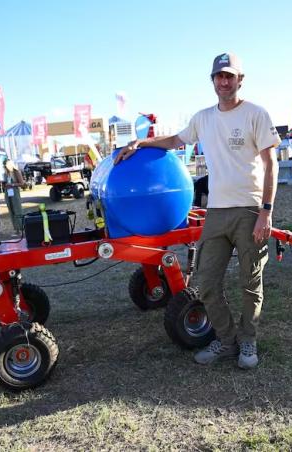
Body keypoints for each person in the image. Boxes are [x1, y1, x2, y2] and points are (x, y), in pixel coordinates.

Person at [114, 52, 280, 369]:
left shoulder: (256, 114)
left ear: (240, 80)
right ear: (213, 81)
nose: (224, 81)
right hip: (216, 212)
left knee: (250, 282)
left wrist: (266, 211)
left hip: (249, 209)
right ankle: (227, 340)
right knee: (203, 282)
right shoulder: (203, 118)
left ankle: (248, 342)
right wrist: (140, 143)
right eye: (219, 76)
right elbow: (176, 140)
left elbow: (271, 165)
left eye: (230, 76)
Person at [2, 159, 25, 235]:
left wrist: (12, 185)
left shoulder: (16, 172)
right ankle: (16, 229)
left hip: (14, 192)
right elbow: (4, 183)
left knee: (17, 209)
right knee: (11, 210)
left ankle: (22, 228)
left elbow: (22, 183)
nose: (5, 166)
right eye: (4, 165)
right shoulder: (6, 173)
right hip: (7, 192)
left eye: (6, 165)